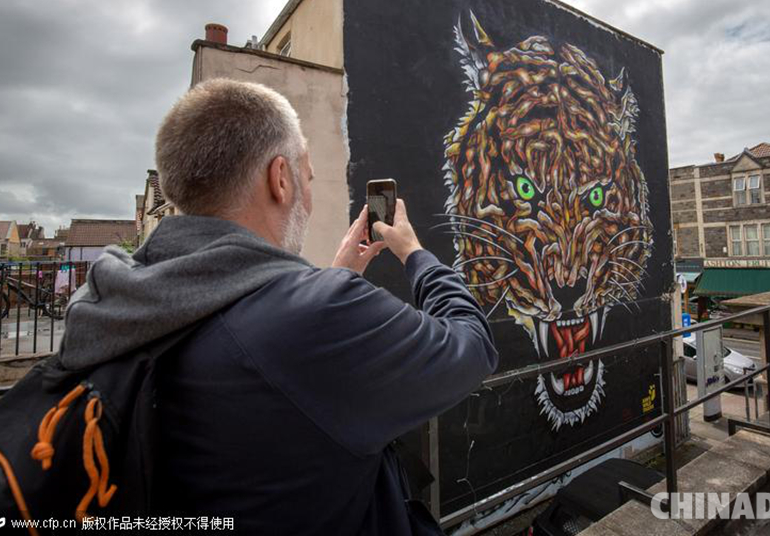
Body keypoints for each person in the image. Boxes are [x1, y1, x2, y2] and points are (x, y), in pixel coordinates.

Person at [57, 78, 499, 534]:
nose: (308, 196)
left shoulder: (114, 303)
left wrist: (333, 278)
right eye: (308, 179)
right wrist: (414, 254)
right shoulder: (320, 317)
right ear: (281, 178)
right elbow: (472, 346)